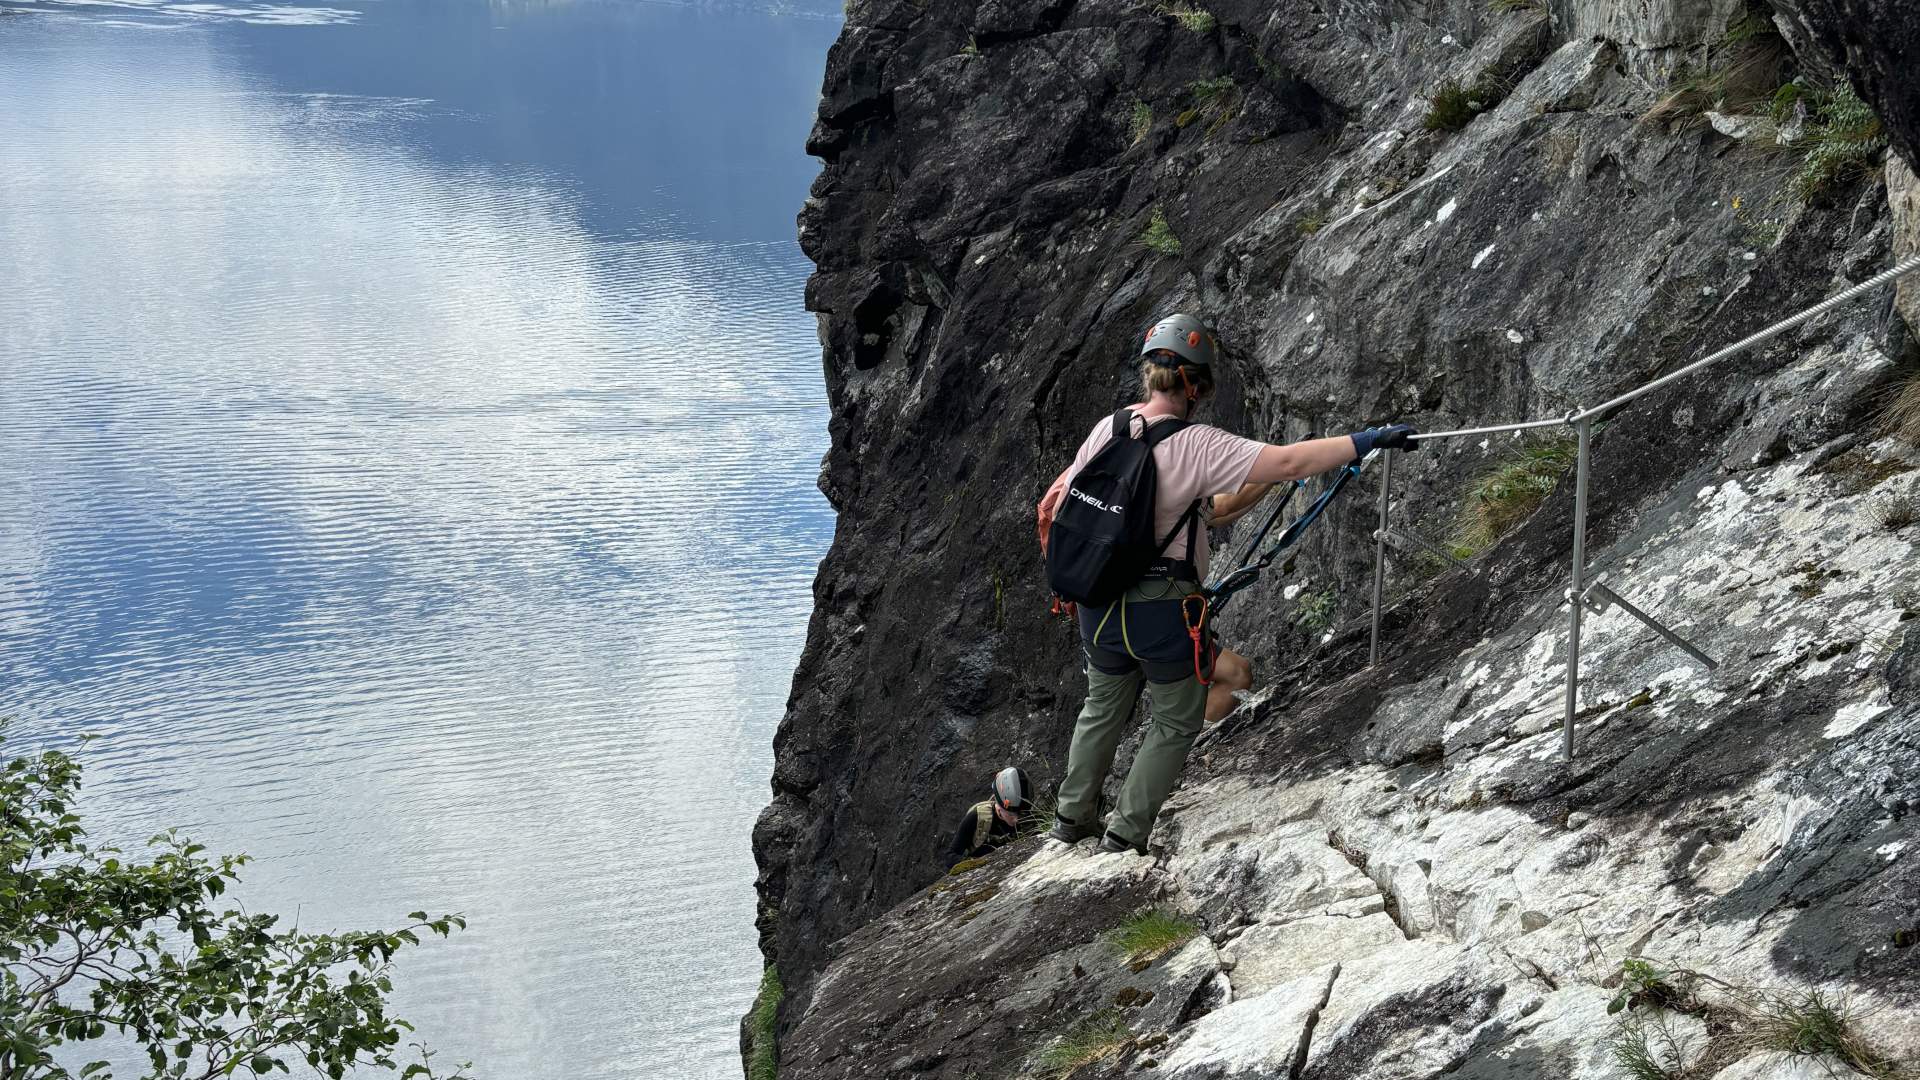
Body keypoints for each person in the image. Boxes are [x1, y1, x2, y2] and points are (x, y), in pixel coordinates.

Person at [1037, 313, 1417, 855]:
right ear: (1196, 385)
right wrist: (1367, 439)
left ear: (1150, 374)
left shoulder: (1108, 428)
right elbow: (1287, 462)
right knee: (1174, 717)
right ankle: (1124, 836)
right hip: (1159, 608)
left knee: (1102, 706)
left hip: (1097, 598)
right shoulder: (1196, 445)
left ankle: (1070, 821)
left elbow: (1079, 498)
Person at [944, 766, 1035, 866]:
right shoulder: (977, 818)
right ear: (999, 807)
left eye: (1021, 813)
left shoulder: (1028, 817)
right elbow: (949, 857)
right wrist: (975, 863)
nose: (1017, 819)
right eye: (1011, 814)